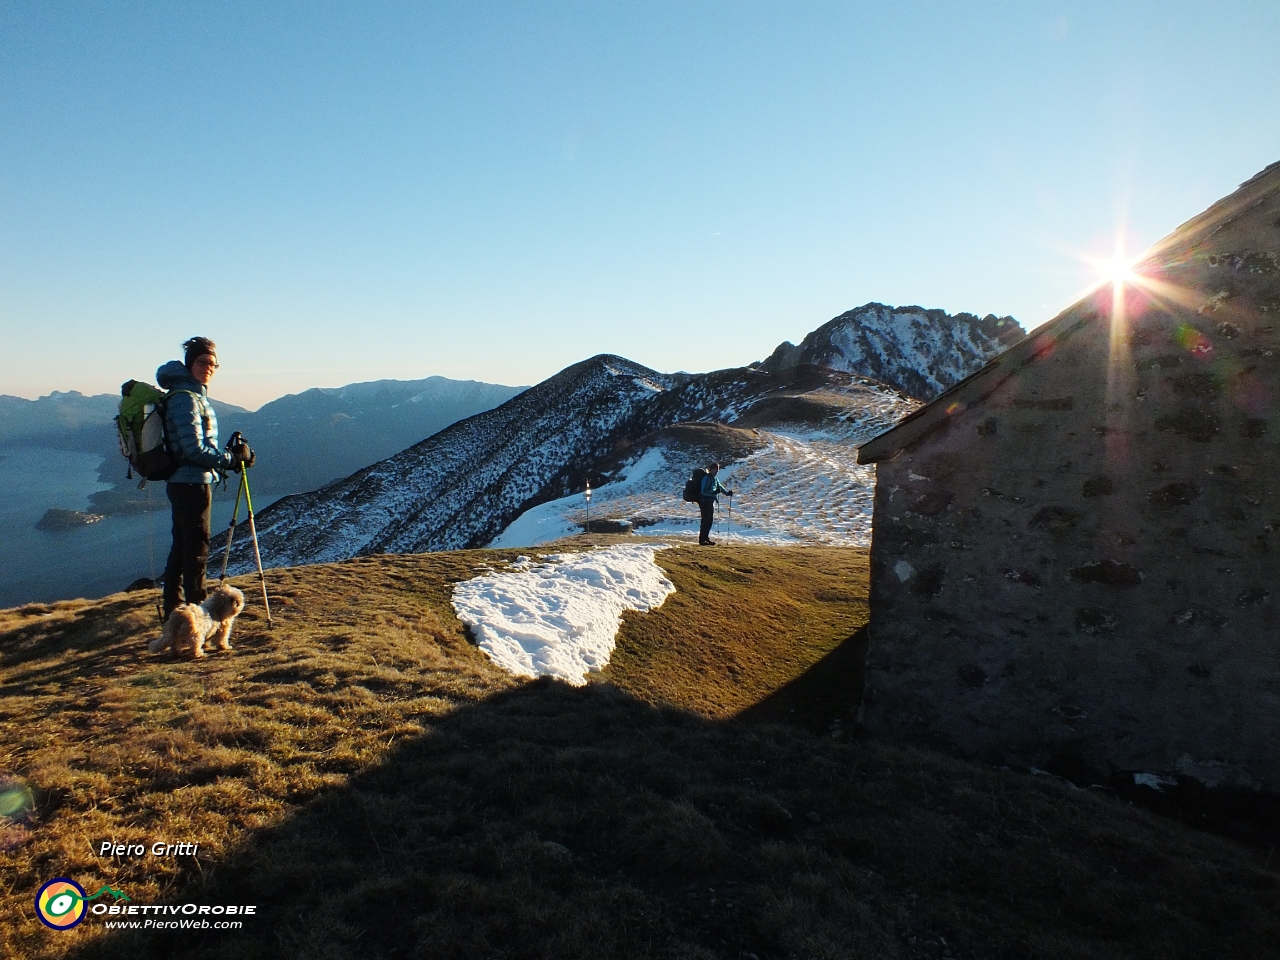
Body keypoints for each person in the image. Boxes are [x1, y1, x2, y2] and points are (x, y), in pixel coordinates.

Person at [157, 337, 254, 619]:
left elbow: (195, 448)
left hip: (184, 481)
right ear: (190, 363)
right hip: (191, 484)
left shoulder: (189, 394)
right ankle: (198, 618)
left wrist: (230, 458)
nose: (208, 367)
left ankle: (175, 612)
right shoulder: (186, 398)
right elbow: (193, 449)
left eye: (213, 363)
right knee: (196, 551)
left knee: (182, 547)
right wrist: (232, 460)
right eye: (202, 362)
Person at [697, 461, 734, 546]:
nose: (716, 471)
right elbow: (703, 491)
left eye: (717, 469)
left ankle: (706, 539)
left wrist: (727, 493)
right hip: (704, 502)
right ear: (711, 469)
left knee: (709, 521)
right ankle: (702, 540)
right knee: (705, 520)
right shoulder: (706, 478)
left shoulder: (715, 479)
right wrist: (713, 492)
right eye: (715, 469)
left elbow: (720, 487)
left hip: (710, 502)